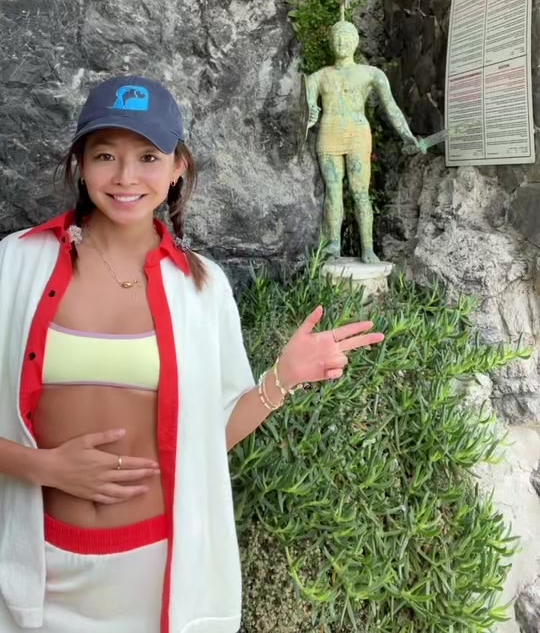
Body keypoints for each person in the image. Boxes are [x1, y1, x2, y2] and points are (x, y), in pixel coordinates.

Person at [0, 75, 384, 633]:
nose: (126, 177)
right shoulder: (15, 264)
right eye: (105, 155)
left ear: (178, 167)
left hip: (158, 580)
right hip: (31, 579)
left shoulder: (203, 287)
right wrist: (45, 468)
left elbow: (205, 441)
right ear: (80, 164)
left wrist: (284, 376)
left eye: (148, 157)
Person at [304, 15, 422, 262]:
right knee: (333, 191)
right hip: (329, 133)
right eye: (337, 38)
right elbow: (306, 112)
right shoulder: (317, 77)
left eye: (346, 37)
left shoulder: (371, 74)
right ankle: (333, 245)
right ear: (330, 42)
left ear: (355, 42)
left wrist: (406, 135)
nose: (341, 42)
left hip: (357, 134)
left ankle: (367, 248)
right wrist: (310, 114)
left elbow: (391, 107)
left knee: (360, 192)